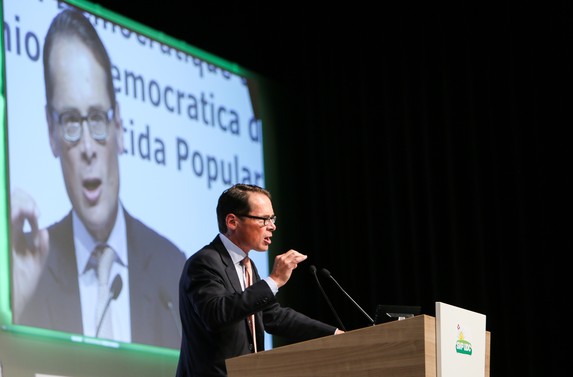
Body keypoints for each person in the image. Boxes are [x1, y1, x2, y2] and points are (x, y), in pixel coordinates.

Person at [10, 7, 186, 349]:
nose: (88, 147)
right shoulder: (27, 274)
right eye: (72, 122)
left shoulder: (171, 267)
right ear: (51, 132)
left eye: (97, 118)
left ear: (119, 126)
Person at [176, 183, 344, 376]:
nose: (272, 226)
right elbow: (216, 314)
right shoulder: (204, 262)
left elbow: (272, 316)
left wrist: (332, 334)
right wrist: (274, 280)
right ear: (232, 221)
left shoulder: (247, 265)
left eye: (272, 218)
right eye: (264, 219)